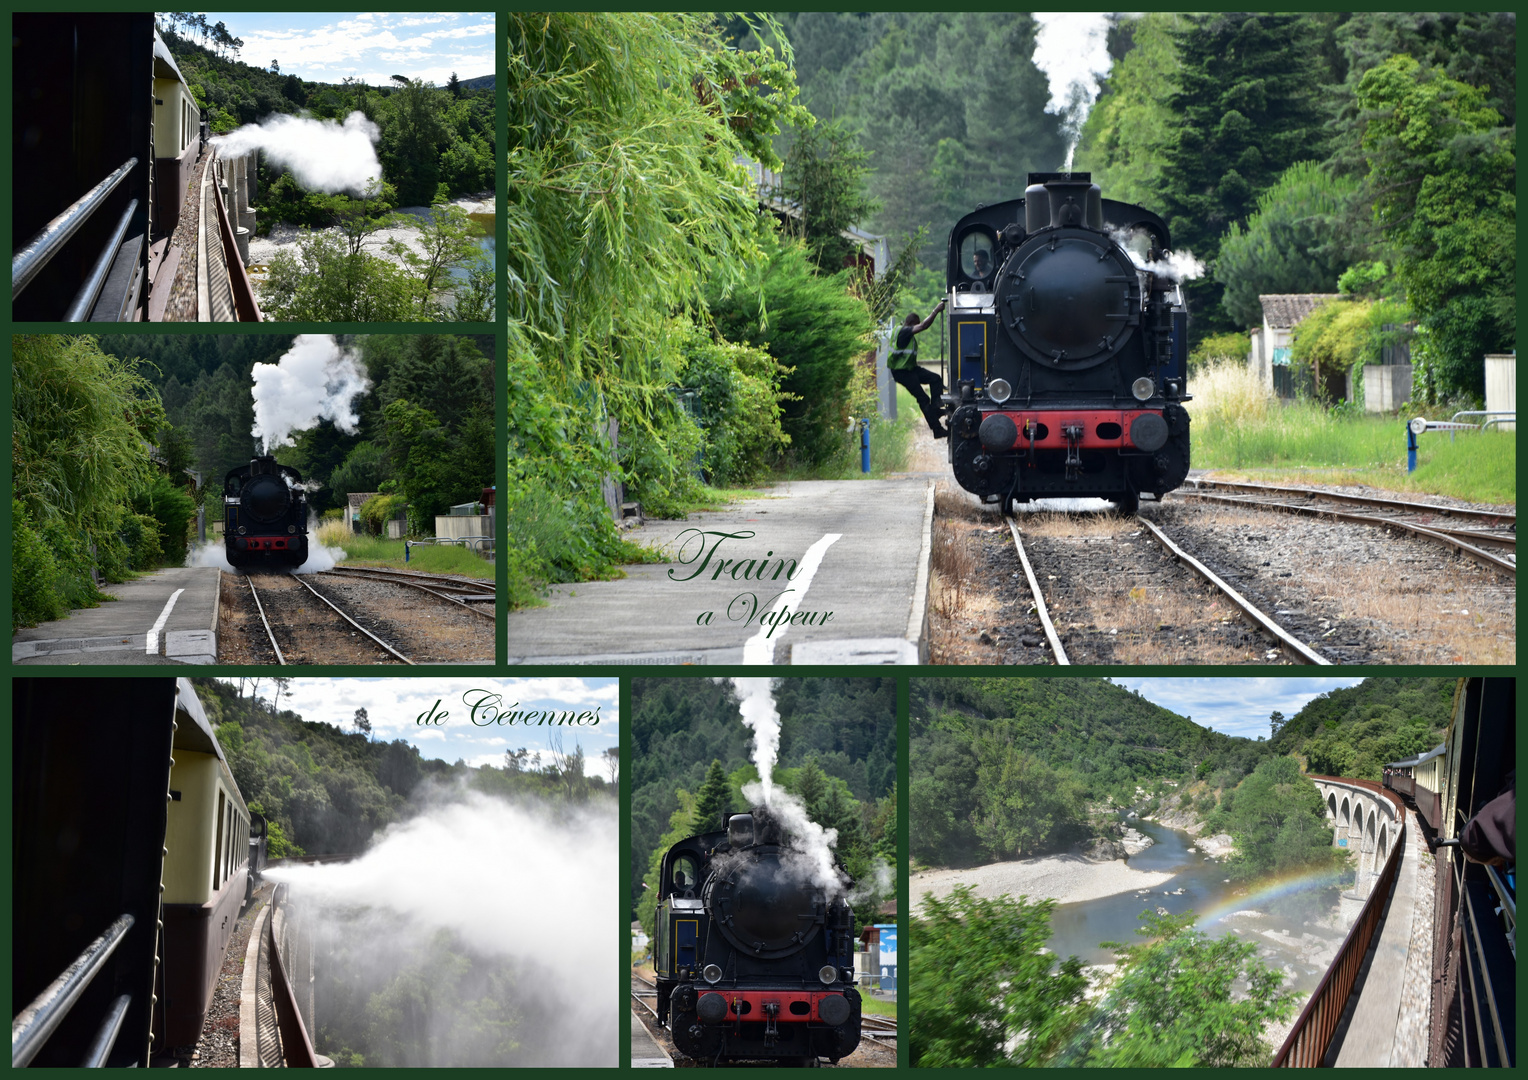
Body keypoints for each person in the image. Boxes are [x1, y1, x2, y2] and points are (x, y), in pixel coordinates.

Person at [888, 299, 949, 438]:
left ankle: (935, 408)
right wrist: (936, 310)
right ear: (910, 323)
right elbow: (924, 326)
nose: (916, 329)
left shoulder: (904, 332)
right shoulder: (904, 332)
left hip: (910, 369)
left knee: (935, 379)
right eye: (915, 325)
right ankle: (937, 429)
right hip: (901, 372)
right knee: (923, 399)